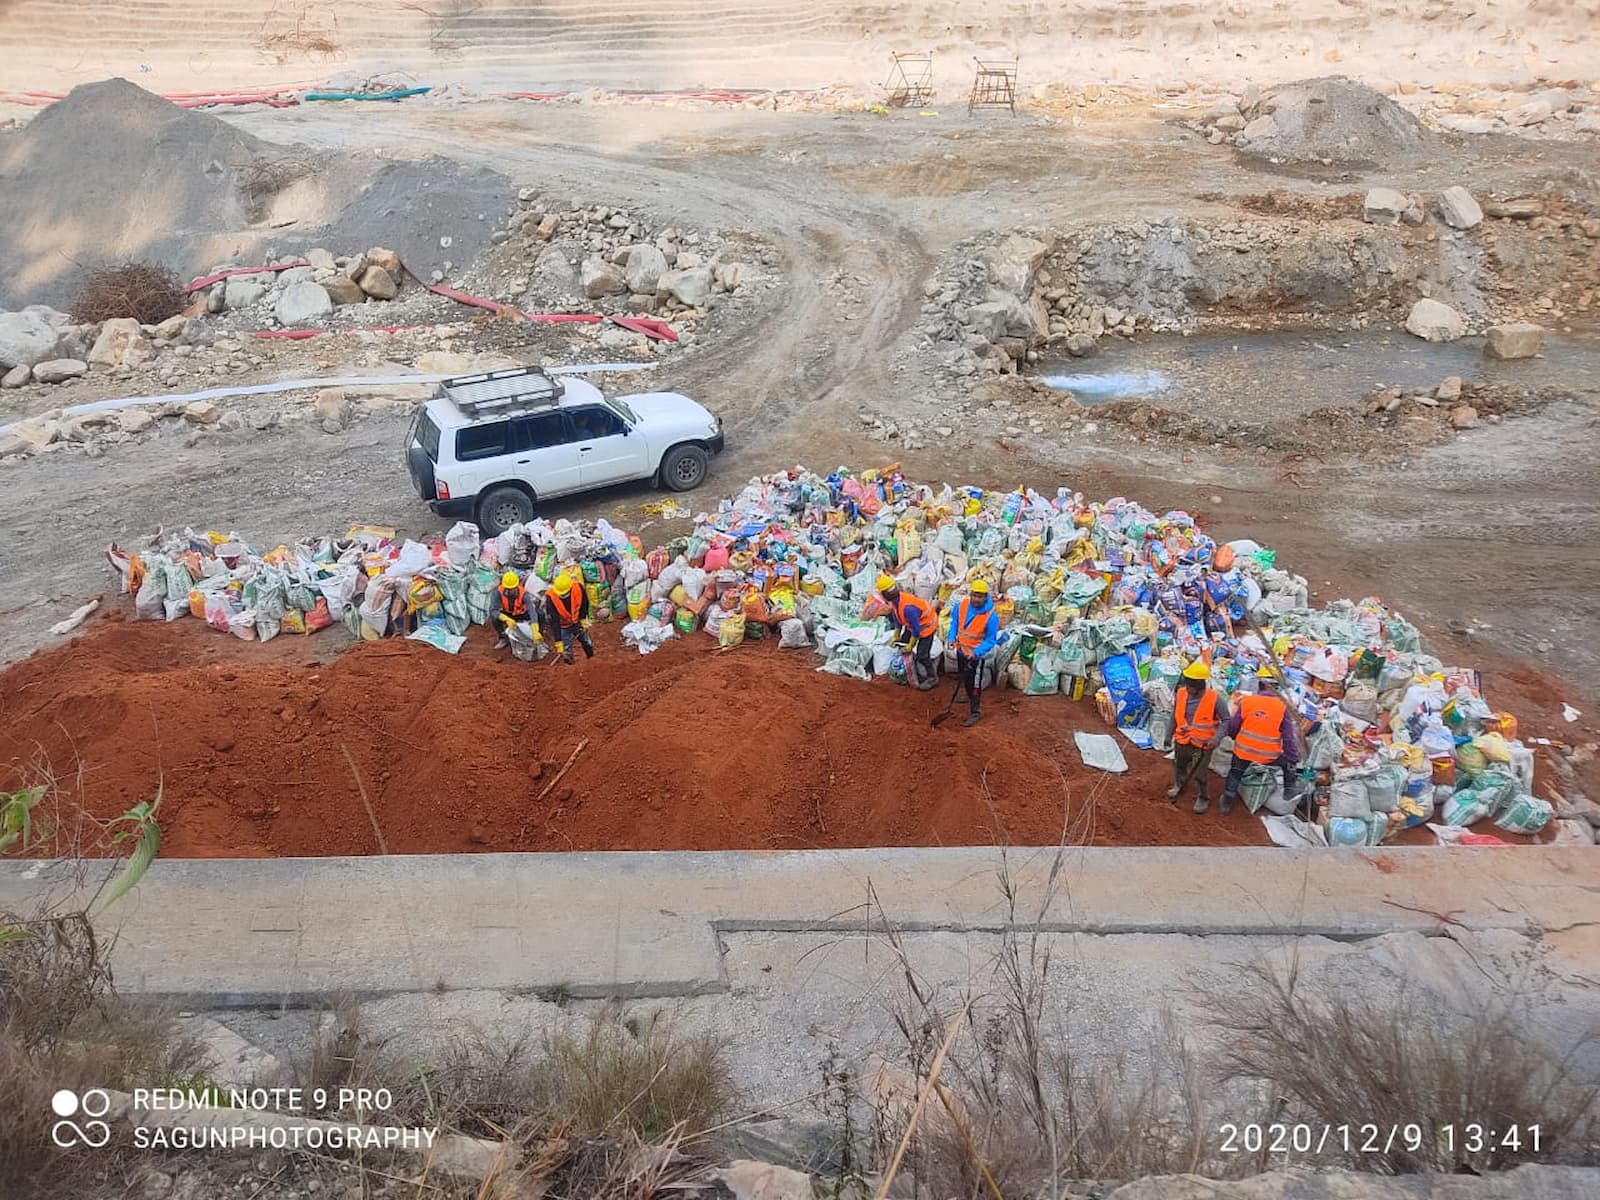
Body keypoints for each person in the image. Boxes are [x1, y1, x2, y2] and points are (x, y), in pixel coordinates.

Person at [1220, 665, 1299, 814]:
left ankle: (1227, 800)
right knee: (1288, 763)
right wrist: (1293, 758)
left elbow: (1233, 726)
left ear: (1259, 684)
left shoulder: (1247, 701)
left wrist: (1235, 737)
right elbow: (1288, 738)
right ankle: (1289, 789)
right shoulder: (1282, 707)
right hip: (1268, 756)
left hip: (1243, 750)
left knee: (1235, 772)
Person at [1168, 660, 1231, 813]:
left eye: (1191, 685)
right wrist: (1168, 733)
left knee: (1199, 774)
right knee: (1179, 766)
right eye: (1187, 684)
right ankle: (1180, 784)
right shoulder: (1181, 693)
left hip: (1202, 745)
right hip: (1182, 740)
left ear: (1199, 685)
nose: (1188, 688)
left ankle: (1203, 797)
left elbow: (1226, 720)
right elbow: (1174, 715)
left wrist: (1216, 739)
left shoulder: (1215, 699)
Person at [946, 579, 999, 726]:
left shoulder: (991, 616)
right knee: (964, 675)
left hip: (976, 656)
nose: (977, 599)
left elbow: (990, 640)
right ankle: (967, 694)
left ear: (985, 597)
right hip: (961, 650)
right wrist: (951, 638)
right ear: (970, 594)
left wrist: (976, 653)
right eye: (975, 595)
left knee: (974, 683)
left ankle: (975, 711)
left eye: (980, 596)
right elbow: (955, 624)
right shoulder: (961, 605)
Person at [878, 573, 938, 691]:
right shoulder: (896, 601)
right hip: (913, 625)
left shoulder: (908, 608)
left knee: (922, 654)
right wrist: (896, 635)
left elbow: (916, 630)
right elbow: (897, 617)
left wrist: (911, 645)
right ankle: (907, 667)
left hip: (926, 627)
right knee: (902, 643)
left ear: (885, 594)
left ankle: (932, 677)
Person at [540, 573, 593, 664]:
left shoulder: (578, 588)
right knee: (566, 647)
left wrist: (583, 619)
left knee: (585, 640)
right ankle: (570, 664)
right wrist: (558, 641)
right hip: (563, 625)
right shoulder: (550, 597)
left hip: (577, 621)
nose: (563, 595)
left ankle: (591, 658)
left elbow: (584, 603)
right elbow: (554, 620)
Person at [494, 570, 528, 649]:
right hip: (507, 614)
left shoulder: (524, 593)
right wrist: (505, 619)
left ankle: (538, 637)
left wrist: (535, 627)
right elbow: (493, 610)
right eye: (507, 589)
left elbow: (532, 610)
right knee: (495, 618)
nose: (510, 591)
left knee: (540, 614)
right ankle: (503, 638)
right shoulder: (499, 592)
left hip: (521, 614)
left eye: (512, 589)